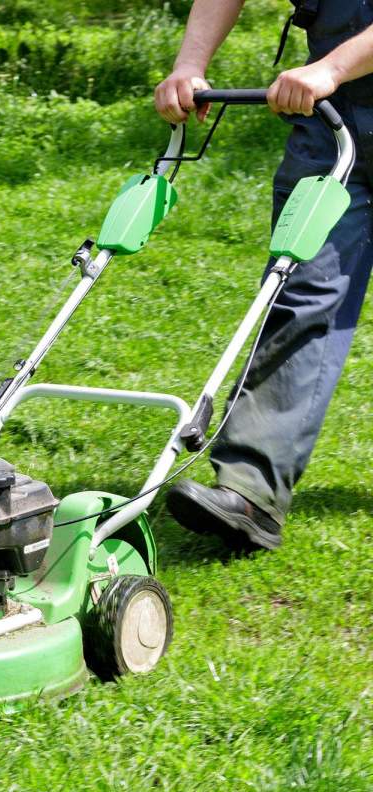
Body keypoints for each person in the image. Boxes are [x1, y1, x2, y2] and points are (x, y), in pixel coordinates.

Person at [155, 0, 373, 551]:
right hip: (336, 124)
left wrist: (331, 67)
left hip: (331, 81)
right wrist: (189, 64)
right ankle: (251, 490)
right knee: (300, 292)